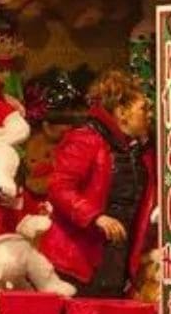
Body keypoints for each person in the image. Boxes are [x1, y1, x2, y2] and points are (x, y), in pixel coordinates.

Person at [39, 71, 158, 298]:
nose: (148, 115)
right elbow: (60, 187)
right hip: (81, 258)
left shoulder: (139, 150)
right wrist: (95, 216)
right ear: (122, 113)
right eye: (143, 109)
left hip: (116, 255)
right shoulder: (85, 139)